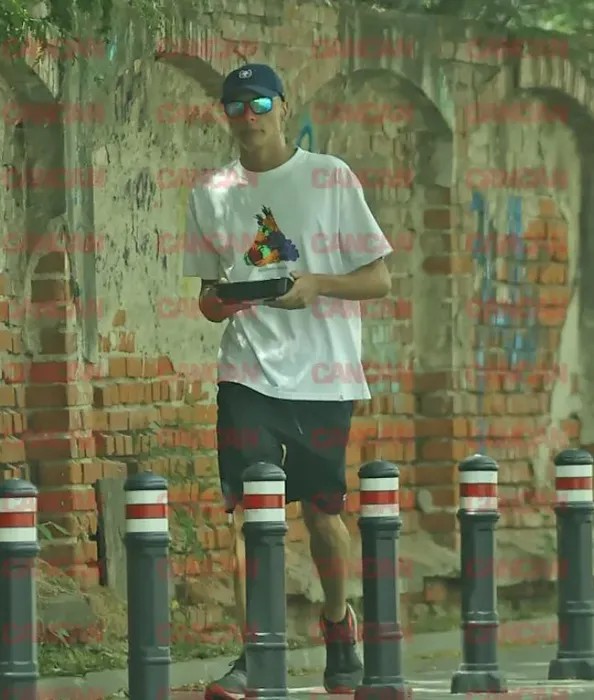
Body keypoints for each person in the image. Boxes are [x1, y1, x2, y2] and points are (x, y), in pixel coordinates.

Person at [183, 63, 393, 699]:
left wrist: (317, 285)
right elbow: (207, 295)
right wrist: (220, 303)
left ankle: (337, 623)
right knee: (252, 509)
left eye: (260, 103)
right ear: (225, 115)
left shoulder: (329, 176)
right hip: (246, 370)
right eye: (235, 106)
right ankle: (257, 651)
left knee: (323, 515)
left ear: (282, 106)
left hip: (324, 377)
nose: (248, 117)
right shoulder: (211, 192)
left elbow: (379, 279)